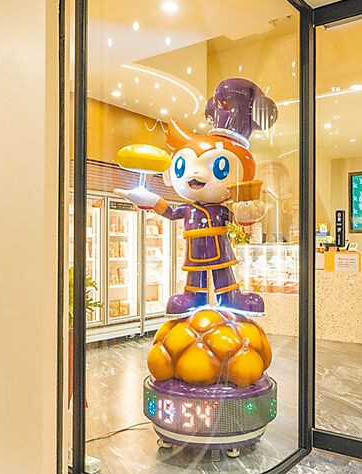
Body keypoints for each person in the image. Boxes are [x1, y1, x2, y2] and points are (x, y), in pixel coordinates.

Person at [116, 78, 275, 315]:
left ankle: (230, 296)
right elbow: (171, 212)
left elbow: (238, 218)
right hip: (195, 251)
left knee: (223, 273)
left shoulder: (221, 210)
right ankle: (193, 296)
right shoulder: (188, 209)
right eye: (184, 166)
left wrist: (247, 212)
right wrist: (147, 199)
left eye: (218, 167)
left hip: (219, 249)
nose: (196, 174)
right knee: (195, 275)